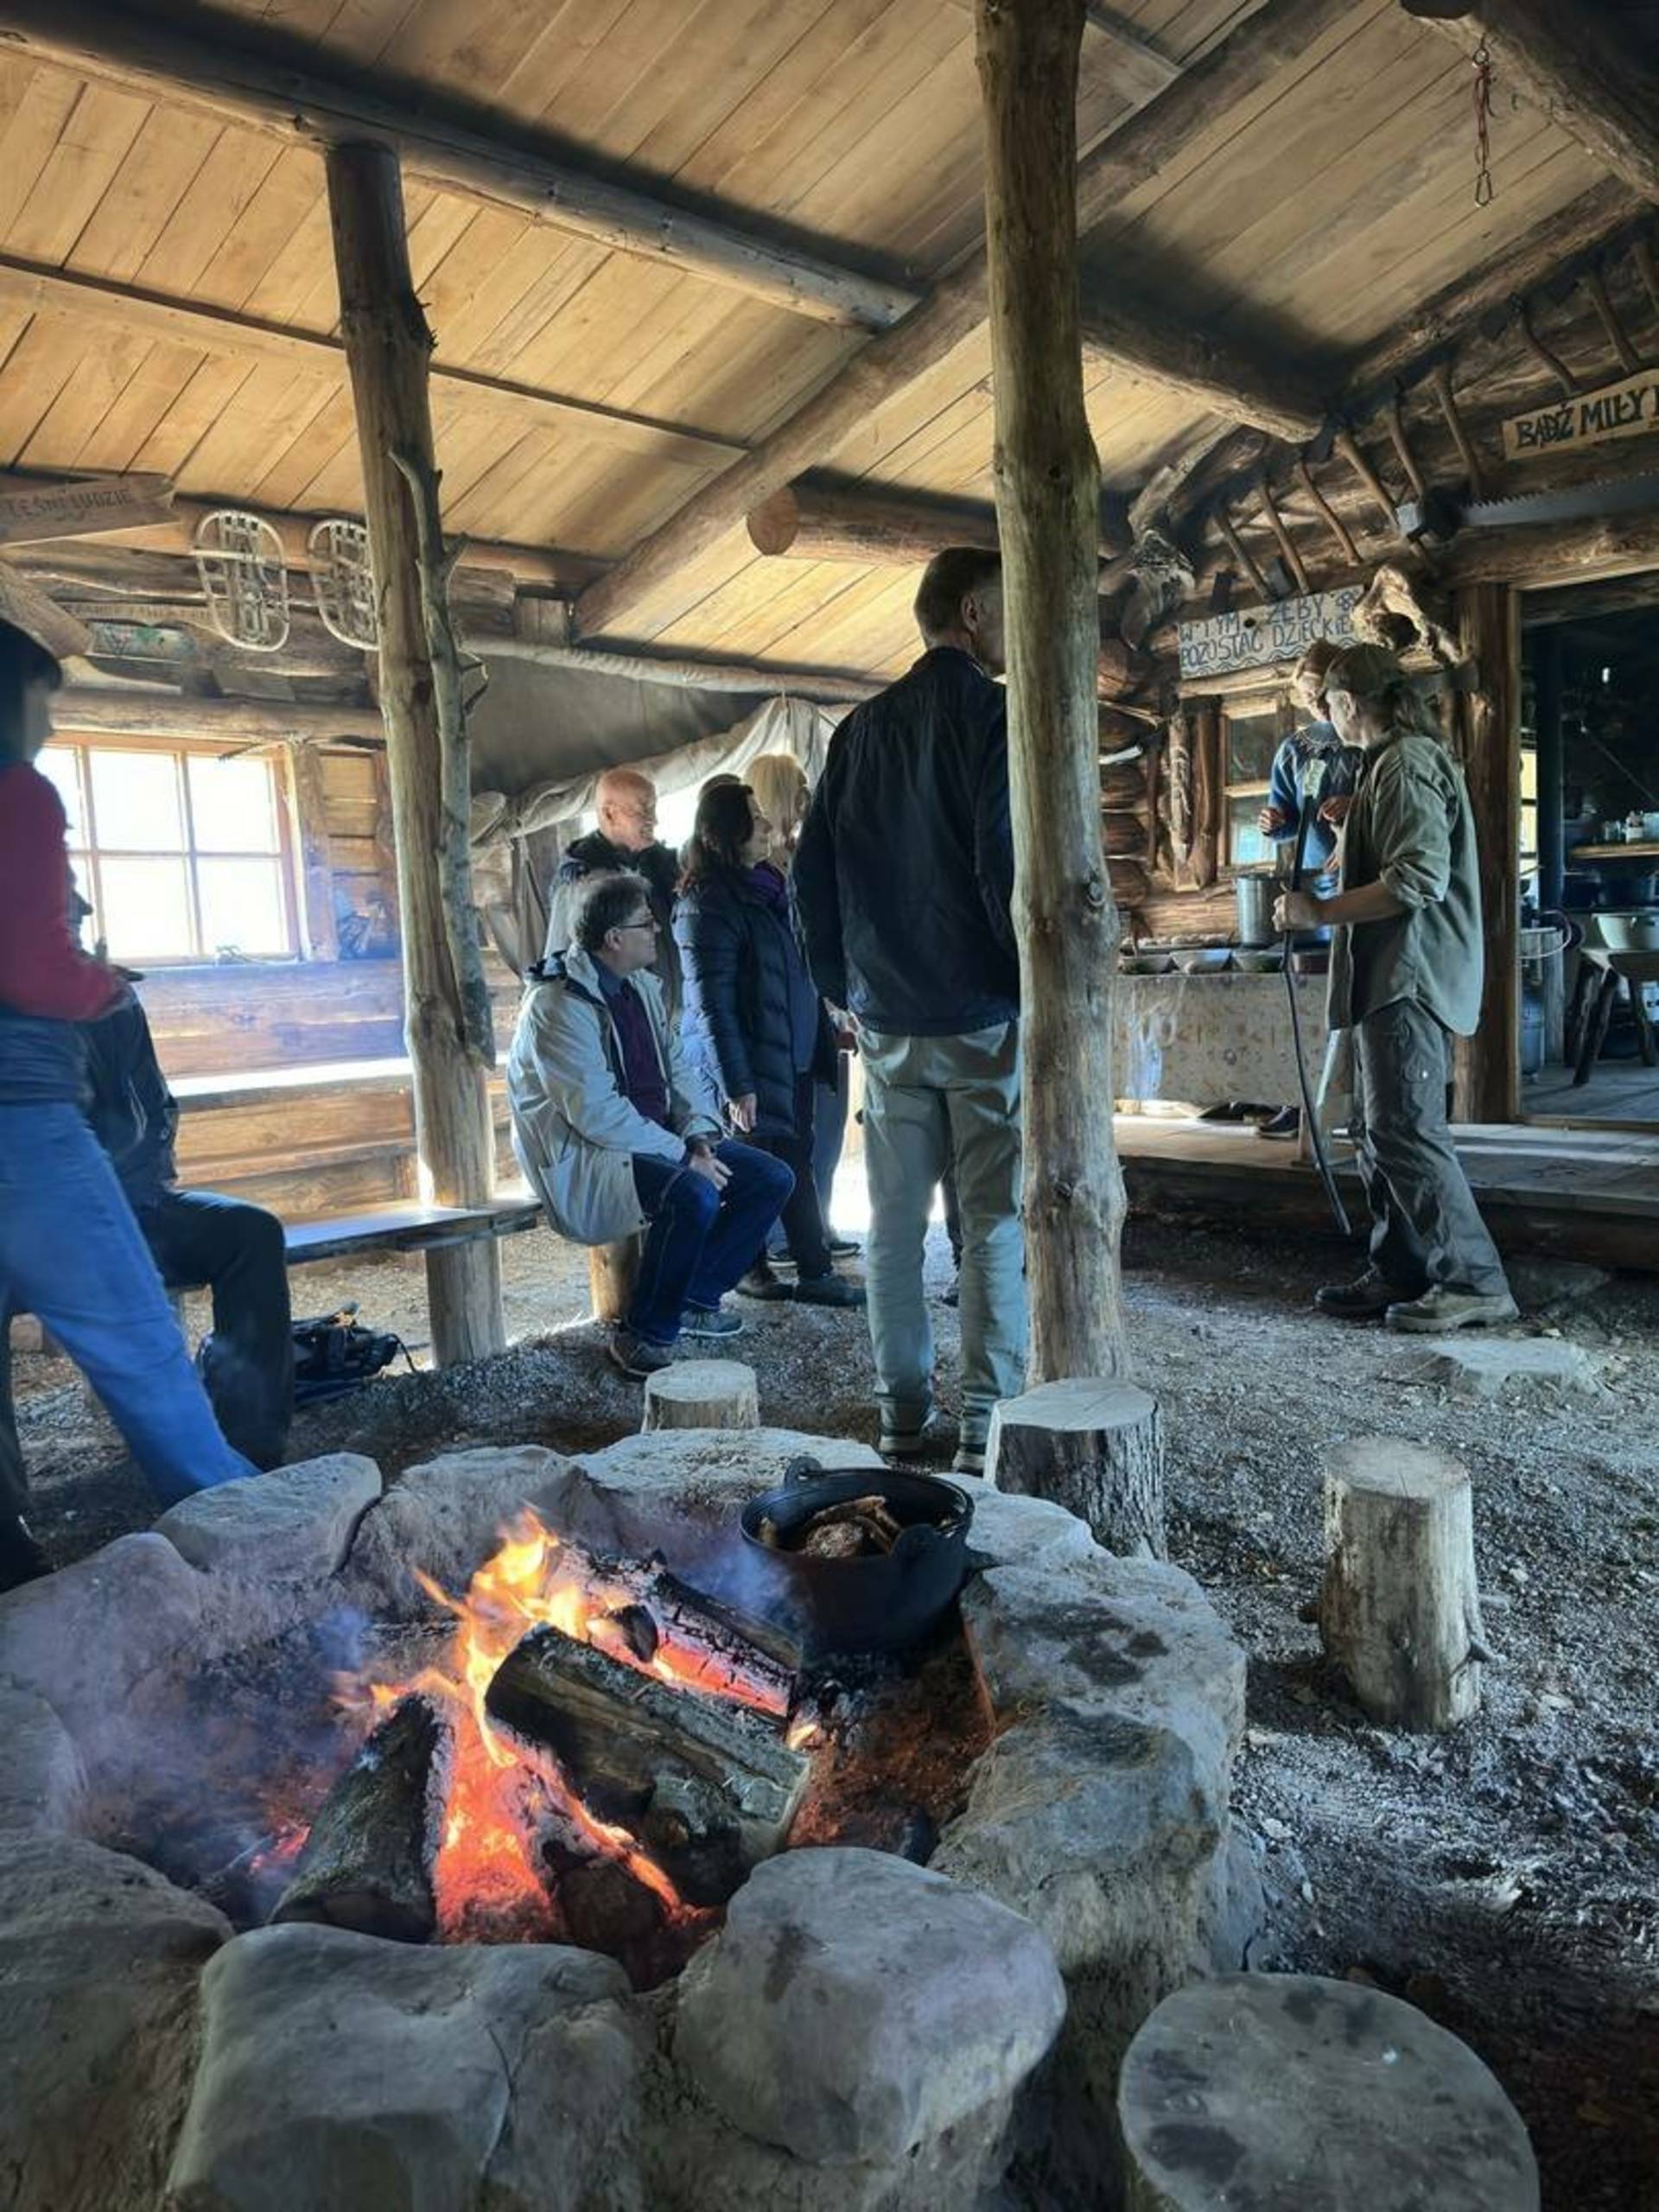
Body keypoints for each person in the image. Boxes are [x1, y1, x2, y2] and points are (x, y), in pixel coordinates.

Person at [0, 619, 254, 1589]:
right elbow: (33, 969)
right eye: (43, 704)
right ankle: (256, 1546)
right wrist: (98, 985)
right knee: (140, 1346)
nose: (47, 728)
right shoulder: (18, 794)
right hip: (21, 1121)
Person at [794, 546, 1024, 1474]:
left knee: (894, 1228)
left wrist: (840, 985)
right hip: (979, 1014)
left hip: (886, 1017)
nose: (1012, 622)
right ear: (972, 612)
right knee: (992, 1223)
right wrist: (1025, 983)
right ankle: (984, 1423)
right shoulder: (993, 716)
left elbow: (811, 875)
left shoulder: (859, 729)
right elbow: (1001, 862)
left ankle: (900, 1414)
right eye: (1005, 605)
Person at [1274, 641, 1517, 1334]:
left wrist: (1320, 912)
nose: (1325, 715)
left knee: (1406, 1129)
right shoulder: (1385, 764)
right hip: (1384, 976)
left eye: (1328, 704)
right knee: (1377, 1131)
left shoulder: (1406, 764)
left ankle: (1475, 1282)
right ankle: (1402, 1268)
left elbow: (1417, 879)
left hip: (1409, 975)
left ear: (1348, 702)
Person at [507, 870, 793, 1379]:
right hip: (591, 1152)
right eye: (646, 923)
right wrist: (683, 1157)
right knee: (693, 1194)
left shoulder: (639, 985)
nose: (657, 930)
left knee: (771, 1178)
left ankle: (694, 1298)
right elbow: (595, 1113)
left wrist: (698, 1135)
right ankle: (642, 1333)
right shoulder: (558, 1004)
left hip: (653, 1137)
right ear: (615, 938)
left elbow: (678, 1070)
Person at [674, 782, 862, 1312]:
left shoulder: (771, 888)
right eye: (753, 817)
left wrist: (826, 1026)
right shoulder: (706, 903)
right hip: (750, 1064)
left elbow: (794, 974)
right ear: (725, 831)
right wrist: (736, 1084)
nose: (765, 825)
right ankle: (748, 1269)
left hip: (789, 1056)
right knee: (752, 1171)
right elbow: (712, 1005)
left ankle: (815, 1271)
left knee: (796, 1160)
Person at [746, 751, 858, 1261]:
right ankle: (781, 1236)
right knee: (787, 1136)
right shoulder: (758, 878)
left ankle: (820, 1223)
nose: (807, 800)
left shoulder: (803, 861)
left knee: (822, 1134)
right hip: (786, 1023)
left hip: (820, 1015)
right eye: (798, 791)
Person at [1253, 639, 1363, 1141]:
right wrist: (1274, 822)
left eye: (1321, 694)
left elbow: (1394, 801)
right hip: (1314, 886)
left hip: (1364, 883)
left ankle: (1359, 1105)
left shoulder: (1366, 738)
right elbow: (1287, 819)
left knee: (1356, 996)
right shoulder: (1296, 749)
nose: (1316, 705)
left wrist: (1356, 807)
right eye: (1306, 696)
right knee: (1308, 998)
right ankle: (1299, 1101)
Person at [547, 766, 683, 1014]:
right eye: (644, 809)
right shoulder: (581, 880)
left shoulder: (662, 865)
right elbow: (559, 964)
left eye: (654, 808)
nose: (655, 820)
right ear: (610, 814)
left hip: (668, 1017)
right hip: (616, 1019)